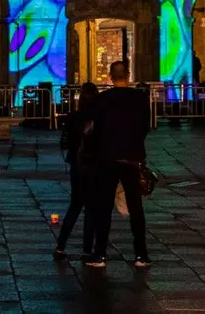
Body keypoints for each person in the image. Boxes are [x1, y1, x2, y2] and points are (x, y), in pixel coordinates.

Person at [86, 60, 152, 269]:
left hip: (108, 158)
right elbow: (144, 127)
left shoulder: (102, 100)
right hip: (131, 158)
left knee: (104, 207)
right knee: (135, 207)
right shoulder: (140, 99)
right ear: (129, 75)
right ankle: (141, 254)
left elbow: (97, 131)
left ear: (110, 76)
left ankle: (100, 254)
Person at [54, 83, 98, 260]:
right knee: (92, 209)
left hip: (77, 165)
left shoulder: (73, 117)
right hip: (95, 166)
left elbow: (65, 142)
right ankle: (87, 248)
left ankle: (61, 246)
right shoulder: (99, 118)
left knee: (75, 206)